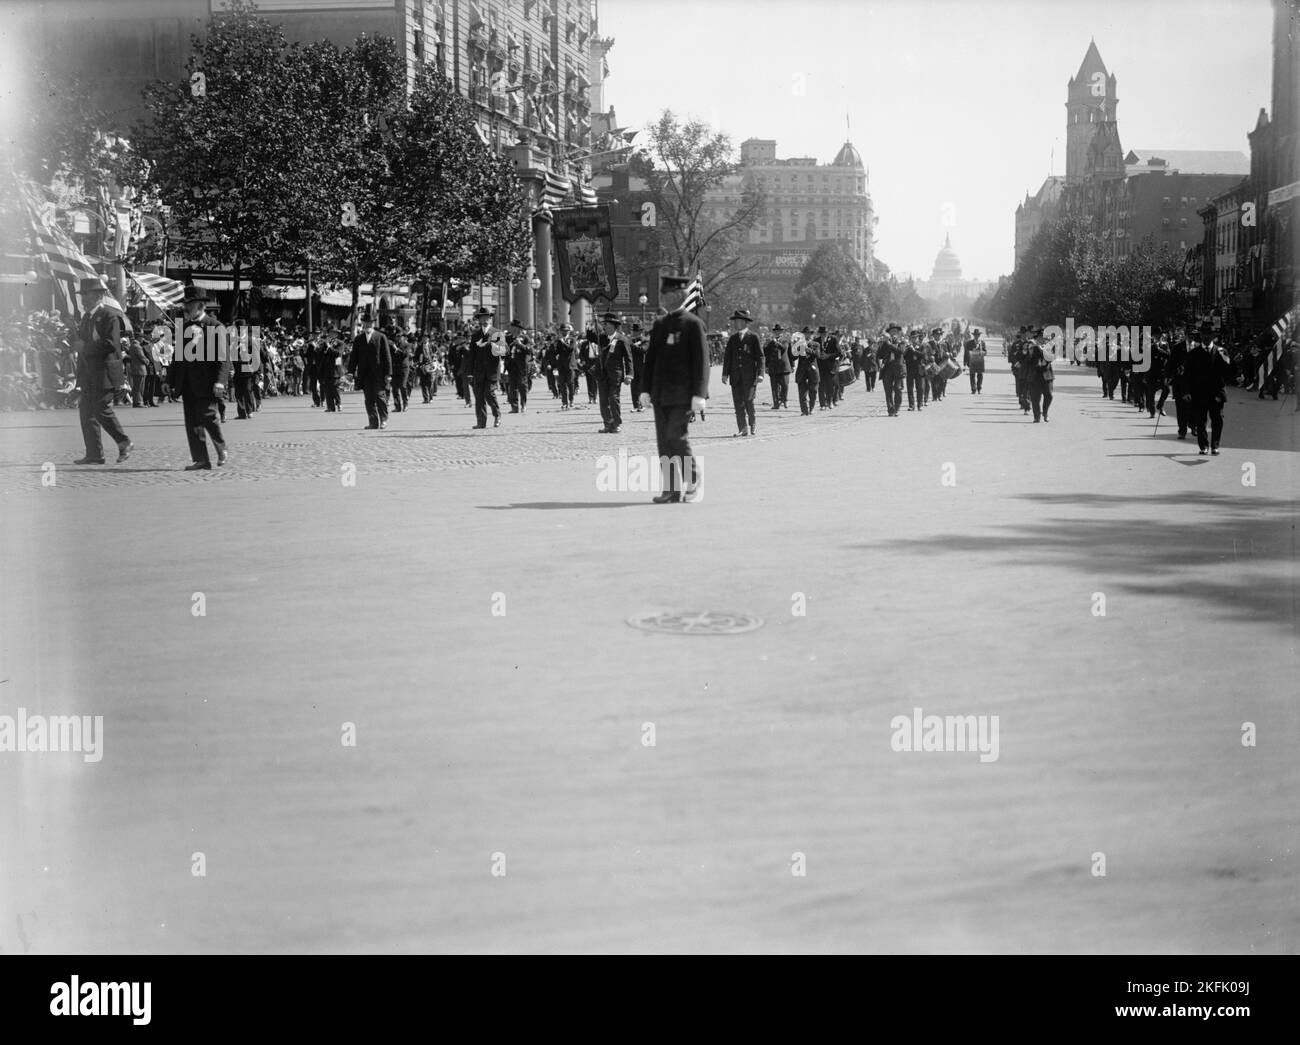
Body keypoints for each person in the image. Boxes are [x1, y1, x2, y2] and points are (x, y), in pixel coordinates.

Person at [640, 275, 708, 503]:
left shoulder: (693, 324)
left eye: (666, 294)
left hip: (683, 395)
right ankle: (671, 490)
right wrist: (645, 389)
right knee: (664, 443)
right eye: (662, 294)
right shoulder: (660, 324)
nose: (663, 298)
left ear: (679, 295)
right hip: (661, 394)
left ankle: (694, 478)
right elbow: (651, 359)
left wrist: (700, 393)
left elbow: (702, 361)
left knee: (676, 437)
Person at [72, 276, 132, 464]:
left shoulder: (109, 316)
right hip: (88, 373)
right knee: (87, 414)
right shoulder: (86, 318)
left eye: (86, 294)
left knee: (101, 409)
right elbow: (82, 343)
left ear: (98, 295)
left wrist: (85, 347)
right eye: (82, 295)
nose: (83, 298)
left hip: (104, 372)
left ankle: (124, 442)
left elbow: (110, 344)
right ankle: (95, 454)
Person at [167, 285, 228, 469]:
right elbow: (177, 357)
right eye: (186, 305)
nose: (186, 309)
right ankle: (201, 459)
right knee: (193, 422)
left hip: (208, 382)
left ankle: (221, 447)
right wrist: (168, 380)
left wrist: (220, 381)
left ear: (201, 306)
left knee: (208, 415)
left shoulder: (215, 326)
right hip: (187, 383)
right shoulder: (184, 328)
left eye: (190, 306)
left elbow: (223, 358)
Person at [1185, 325, 1231, 455]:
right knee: (1201, 421)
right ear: (1200, 336)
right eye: (1203, 335)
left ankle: (1215, 445)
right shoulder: (1193, 354)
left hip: (1216, 393)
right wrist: (1187, 391)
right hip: (1199, 393)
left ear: (1213, 336)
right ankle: (1203, 446)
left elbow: (1228, 372)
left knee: (1217, 420)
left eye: (1209, 335)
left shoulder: (1222, 351)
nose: (1206, 337)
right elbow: (1188, 374)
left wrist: (1230, 362)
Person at [722, 307, 764, 436]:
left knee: (749, 401)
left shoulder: (753, 337)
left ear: (745, 322)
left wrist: (761, 374)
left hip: (750, 377)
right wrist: (725, 374)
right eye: (735, 321)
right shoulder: (733, 339)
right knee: (738, 404)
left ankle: (752, 424)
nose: (736, 324)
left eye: (739, 321)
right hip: (736, 377)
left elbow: (760, 357)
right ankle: (743, 427)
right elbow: (727, 357)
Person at [350, 311, 392, 429]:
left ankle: (383, 420)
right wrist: (350, 372)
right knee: (369, 399)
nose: (368, 325)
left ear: (373, 324)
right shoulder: (358, 339)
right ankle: (373, 422)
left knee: (380, 397)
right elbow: (354, 357)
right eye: (366, 323)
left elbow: (387, 356)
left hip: (379, 373)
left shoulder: (380, 337)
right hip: (365, 374)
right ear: (363, 324)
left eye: (370, 323)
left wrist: (388, 373)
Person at [596, 311, 633, 433]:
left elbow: (628, 359)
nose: (604, 326)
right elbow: (590, 335)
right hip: (602, 374)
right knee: (603, 401)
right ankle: (607, 424)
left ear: (613, 325)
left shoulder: (622, 339)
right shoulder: (601, 338)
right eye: (603, 324)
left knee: (613, 398)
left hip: (615, 375)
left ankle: (616, 424)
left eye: (606, 324)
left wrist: (629, 374)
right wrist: (594, 321)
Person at [468, 306, 505, 429]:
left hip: (492, 371)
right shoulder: (475, 335)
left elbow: (505, 351)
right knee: (479, 397)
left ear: (490, 319)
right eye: (481, 318)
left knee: (489, 393)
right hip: (478, 371)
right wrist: (470, 372)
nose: (484, 320)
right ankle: (481, 422)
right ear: (479, 320)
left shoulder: (496, 333)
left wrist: (492, 344)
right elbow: (471, 355)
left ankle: (497, 415)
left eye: (486, 317)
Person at [1023, 328, 1054, 422]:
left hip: (1046, 374)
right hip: (1035, 375)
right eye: (1041, 337)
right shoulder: (1032, 346)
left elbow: (1051, 358)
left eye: (1045, 337)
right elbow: (1027, 359)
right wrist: (1030, 351)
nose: (1043, 339)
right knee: (1035, 398)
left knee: (1049, 396)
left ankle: (1045, 413)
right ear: (1038, 338)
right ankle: (1037, 416)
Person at [877, 323, 906, 417]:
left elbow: (900, 352)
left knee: (898, 389)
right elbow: (880, 355)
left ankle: (896, 408)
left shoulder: (902, 341)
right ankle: (890, 409)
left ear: (898, 332)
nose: (893, 333)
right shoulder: (885, 342)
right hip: (887, 368)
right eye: (891, 331)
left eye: (895, 331)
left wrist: (889, 345)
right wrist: (882, 344)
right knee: (888, 390)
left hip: (898, 368)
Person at [505, 319, 532, 413]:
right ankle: (514, 407)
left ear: (516, 328)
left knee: (522, 385)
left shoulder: (525, 338)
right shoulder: (508, 338)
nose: (510, 328)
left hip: (522, 366)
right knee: (512, 387)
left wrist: (520, 345)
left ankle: (523, 405)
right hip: (511, 365)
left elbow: (529, 351)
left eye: (512, 327)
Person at [764, 324, 792, 409]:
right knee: (774, 386)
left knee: (785, 385)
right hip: (773, 366)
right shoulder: (770, 341)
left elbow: (784, 349)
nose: (777, 333)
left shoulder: (785, 340)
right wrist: (766, 344)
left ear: (781, 332)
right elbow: (766, 353)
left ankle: (784, 400)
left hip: (783, 366)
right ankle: (776, 403)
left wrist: (776, 342)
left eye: (778, 331)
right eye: (775, 331)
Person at [793, 332, 819, 415]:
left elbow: (817, 355)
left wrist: (806, 349)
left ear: (811, 335)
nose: (806, 335)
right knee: (802, 392)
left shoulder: (816, 344)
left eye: (808, 334)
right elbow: (794, 357)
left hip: (812, 370)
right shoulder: (799, 344)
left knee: (813, 391)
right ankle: (804, 410)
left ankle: (811, 408)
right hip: (802, 370)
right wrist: (795, 347)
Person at [628, 322, 648, 411]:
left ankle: (642, 405)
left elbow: (642, 350)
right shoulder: (630, 341)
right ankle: (636, 406)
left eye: (634, 331)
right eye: (633, 330)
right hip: (633, 366)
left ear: (639, 332)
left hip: (643, 366)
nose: (632, 332)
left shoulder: (645, 340)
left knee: (641, 386)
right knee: (633, 386)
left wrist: (631, 345)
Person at [964, 328, 986, 394]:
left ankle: (979, 388)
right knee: (972, 375)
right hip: (972, 361)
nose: (977, 336)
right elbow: (966, 353)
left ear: (979, 335)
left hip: (980, 361)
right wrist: (965, 362)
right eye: (975, 335)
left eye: (978, 335)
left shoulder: (982, 343)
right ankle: (973, 388)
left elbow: (985, 351)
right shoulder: (969, 343)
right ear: (974, 335)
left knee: (980, 375)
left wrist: (983, 352)